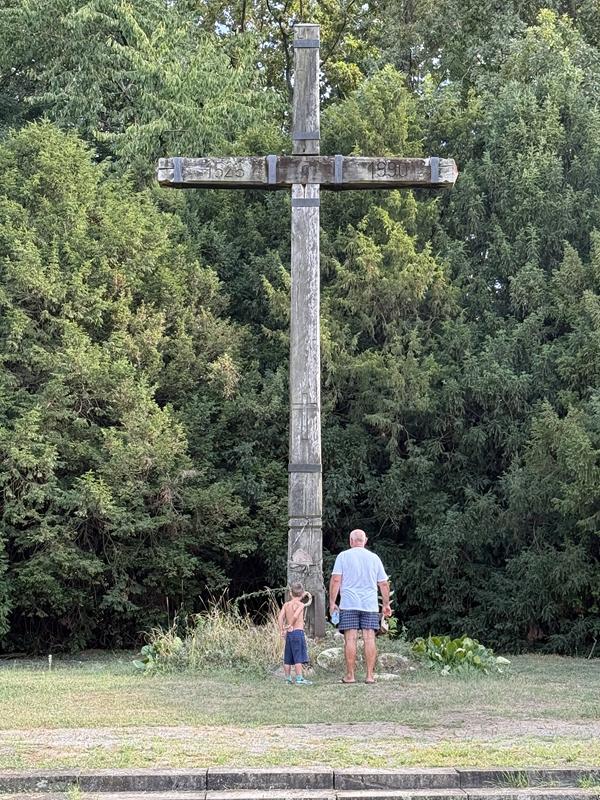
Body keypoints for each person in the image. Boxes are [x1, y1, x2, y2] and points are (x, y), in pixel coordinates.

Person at [329, 529, 392, 684]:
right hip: (369, 605)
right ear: (365, 541)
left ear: (351, 541)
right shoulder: (374, 558)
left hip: (349, 604)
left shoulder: (343, 556)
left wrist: (332, 602)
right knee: (369, 639)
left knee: (350, 639)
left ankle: (350, 676)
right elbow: (383, 584)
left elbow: (336, 580)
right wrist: (385, 604)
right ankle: (370, 676)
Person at [278, 581, 313, 685]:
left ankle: (288, 679)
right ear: (302, 594)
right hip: (298, 632)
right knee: (298, 657)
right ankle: (299, 679)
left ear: (290, 593)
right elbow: (296, 615)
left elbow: (280, 617)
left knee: (287, 657)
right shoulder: (301, 605)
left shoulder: (286, 605)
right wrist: (291, 625)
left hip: (289, 634)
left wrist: (282, 629)